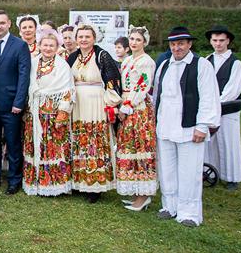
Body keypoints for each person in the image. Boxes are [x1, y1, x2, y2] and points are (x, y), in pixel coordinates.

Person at [153, 26, 220, 227]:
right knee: (167, 169)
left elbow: (209, 97)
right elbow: (157, 95)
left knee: (189, 171)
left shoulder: (201, 65)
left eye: (181, 44)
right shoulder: (164, 65)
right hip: (165, 126)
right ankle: (169, 206)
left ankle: (189, 212)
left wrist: (202, 126)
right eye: (173, 44)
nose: (177, 48)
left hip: (189, 128)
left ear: (189, 44)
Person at [67, 23, 122, 202]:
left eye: (87, 36)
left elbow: (112, 80)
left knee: (94, 141)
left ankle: (95, 185)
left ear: (94, 38)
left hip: (96, 102)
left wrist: (111, 104)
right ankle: (79, 181)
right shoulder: (73, 57)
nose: (83, 40)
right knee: (78, 140)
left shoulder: (102, 56)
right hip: (78, 104)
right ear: (76, 39)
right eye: (80, 36)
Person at [0, 10, 30, 195]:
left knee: (12, 143)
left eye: (2, 23)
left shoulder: (19, 46)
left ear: (9, 23)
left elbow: (24, 76)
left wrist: (19, 102)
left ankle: (14, 180)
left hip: (12, 104)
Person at [23, 28, 75, 196]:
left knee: (52, 147)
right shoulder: (32, 63)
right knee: (35, 146)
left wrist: (62, 114)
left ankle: (53, 184)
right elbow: (26, 85)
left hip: (52, 114)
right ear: (39, 45)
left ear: (56, 47)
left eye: (51, 46)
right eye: (45, 45)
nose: (47, 48)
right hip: (35, 112)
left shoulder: (62, 66)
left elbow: (68, 91)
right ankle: (35, 181)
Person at [116, 25, 158, 211]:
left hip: (138, 109)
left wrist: (127, 106)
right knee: (129, 147)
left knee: (140, 147)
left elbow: (142, 87)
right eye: (131, 39)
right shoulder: (127, 60)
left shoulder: (146, 61)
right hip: (127, 105)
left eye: (138, 40)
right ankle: (136, 193)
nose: (134, 43)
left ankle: (144, 196)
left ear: (145, 42)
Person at [204, 25, 241, 190]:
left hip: (228, 110)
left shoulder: (235, 63)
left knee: (229, 142)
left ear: (228, 41)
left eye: (221, 40)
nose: (218, 44)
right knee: (210, 142)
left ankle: (232, 178)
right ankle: (212, 172)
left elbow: (233, 90)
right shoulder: (207, 60)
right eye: (215, 40)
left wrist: (215, 103)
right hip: (210, 109)